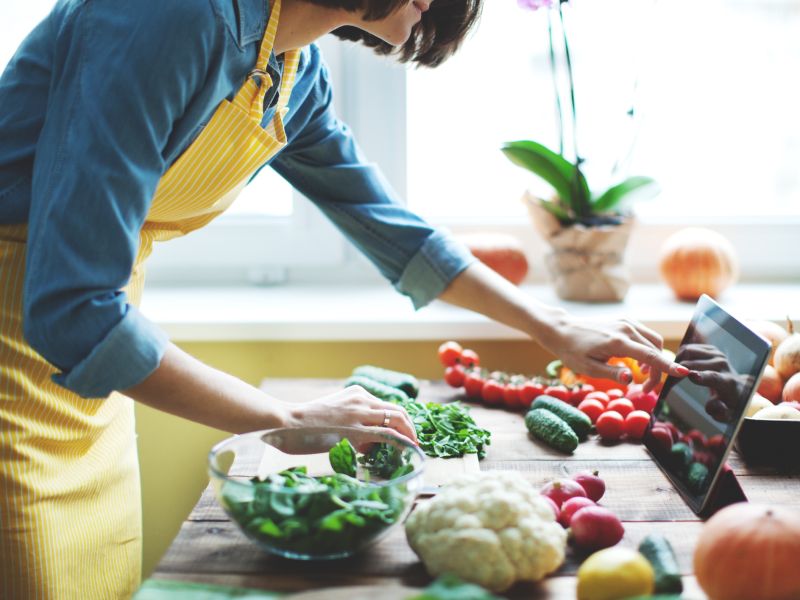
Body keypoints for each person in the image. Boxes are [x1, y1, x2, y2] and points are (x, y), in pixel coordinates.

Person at [0, 0, 689, 597]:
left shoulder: (289, 66)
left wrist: (555, 325)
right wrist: (289, 415)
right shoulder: (171, 16)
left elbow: (390, 228)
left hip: (89, 372)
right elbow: (71, 306)